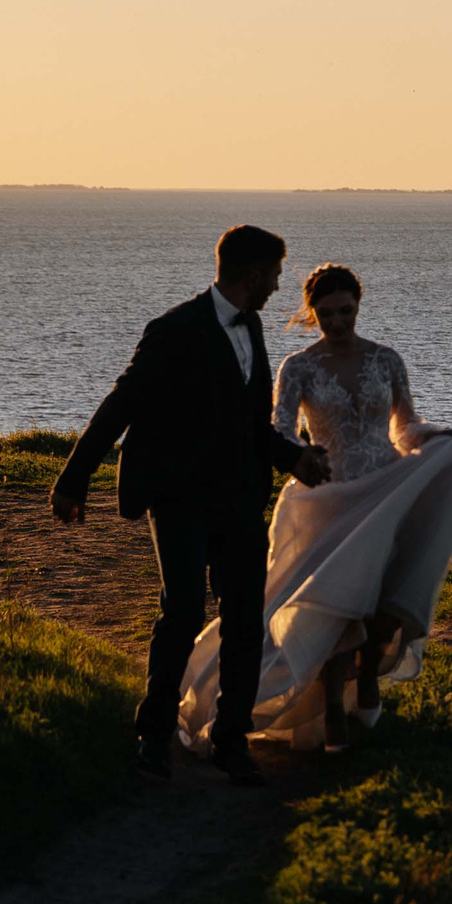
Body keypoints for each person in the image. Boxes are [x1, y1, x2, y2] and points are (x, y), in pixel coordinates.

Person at [49, 225, 328, 786]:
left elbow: (248, 420)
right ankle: (152, 737)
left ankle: (231, 741)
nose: (279, 286)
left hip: (239, 499)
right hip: (177, 499)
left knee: (247, 618)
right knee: (181, 612)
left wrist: (291, 458)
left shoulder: (249, 326)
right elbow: (120, 404)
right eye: (275, 274)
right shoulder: (173, 330)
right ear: (252, 274)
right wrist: (73, 480)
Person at [172, 261, 452, 754]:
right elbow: (281, 428)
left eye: (345, 311)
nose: (337, 321)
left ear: (358, 306)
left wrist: (442, 439)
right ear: (312, 313)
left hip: (382, 491)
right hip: (326, 496)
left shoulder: (386, 360)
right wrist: (300, 455)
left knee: (377, 597)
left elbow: (405, 426)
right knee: (332, 604)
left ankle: (368, 672)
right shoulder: (300, 366)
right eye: (327, 313)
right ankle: (333, 705)